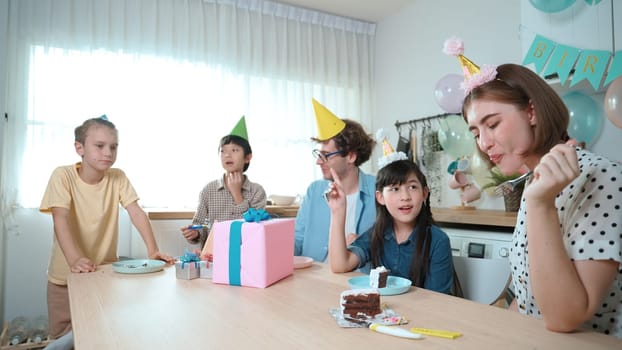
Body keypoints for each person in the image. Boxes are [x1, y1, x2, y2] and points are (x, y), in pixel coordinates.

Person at [448, 38, 622, 337]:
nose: (484, 143)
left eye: (493, 124)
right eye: (476, 132)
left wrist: (541, 204)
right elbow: (525, 299)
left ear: (531, 112)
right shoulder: (535, 181)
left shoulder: (602, 176)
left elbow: (564, 318)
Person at [40, 116, 174, 341]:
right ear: (79, 148)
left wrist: (153, 250)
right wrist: (75, 259)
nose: (108, 153)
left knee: (103, 334)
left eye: (114, 147)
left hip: (103, 274)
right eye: (100, 146)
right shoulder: (62, 176)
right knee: (64, 339)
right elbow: (60, 218)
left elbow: (136, 212)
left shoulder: (118, 177)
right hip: (65, 278)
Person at [326, 155, 455, 294]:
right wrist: (337, 210)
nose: (405, 196)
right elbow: (340, 265)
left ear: (424, 193)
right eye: (394, 189)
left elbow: (437, 301)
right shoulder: (376, 234)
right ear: (380, 197)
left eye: (412, 187)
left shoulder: (438, 241)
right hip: (383, 313)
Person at [294, 99, 376, 263]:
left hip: (356, 283)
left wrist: (365, 245)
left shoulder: (379, 191)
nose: (319, 161)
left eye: (327, 156)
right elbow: (298, 239)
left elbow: (393, 243)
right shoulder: (314, 190)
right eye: (319, 154)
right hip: (314, 278)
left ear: (351, 156)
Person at [181, 116, 266, 248]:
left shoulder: (257, 191)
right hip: (214, 255)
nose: (227, 155)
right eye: (223, 151)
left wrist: (237, 194)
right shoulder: (209, 190)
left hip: (245, 254)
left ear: (248, 157)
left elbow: (255, 229)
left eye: (234, 150)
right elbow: (200, 225)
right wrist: (195, 233)